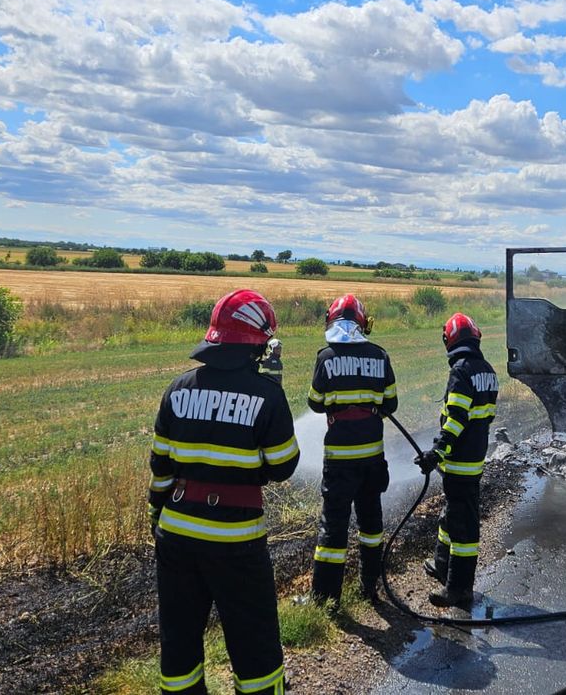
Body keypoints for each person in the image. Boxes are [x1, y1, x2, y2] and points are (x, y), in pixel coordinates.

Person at [148, 289, 299, 695]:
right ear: (258, 343)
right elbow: (282, 466)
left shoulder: (177, 389)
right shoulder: (267, 395)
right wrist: (272, 391)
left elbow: (160, 466)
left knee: (179, 645)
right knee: (255, 648)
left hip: (176, 535)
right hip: (236, 542)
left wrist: (156, 514)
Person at [307, 295, 397, 604]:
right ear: (361, 323)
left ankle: (324, 597)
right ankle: (369, 586)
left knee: (333, 525)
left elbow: (315, 403)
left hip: (339, 461)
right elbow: (391, 403)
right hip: (372, 457)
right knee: (371, 522)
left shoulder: (326, 357)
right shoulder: (380, 356)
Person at [415, 312, 499, 608]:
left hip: (460, 461)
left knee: (463, 527)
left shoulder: (460, 371)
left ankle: (459, 588)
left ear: (448, 341)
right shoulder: (486, 369)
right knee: (451, 515)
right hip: (473, 457)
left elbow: (456, 420)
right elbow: (485, 416)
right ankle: (441, 565)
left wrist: (436, 451)